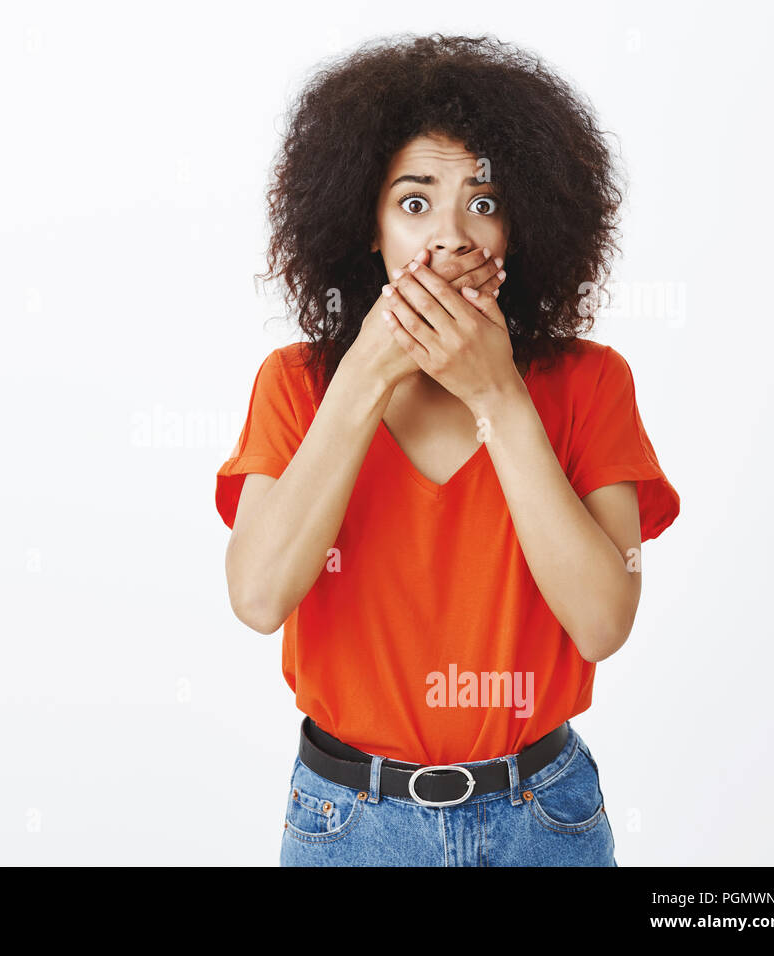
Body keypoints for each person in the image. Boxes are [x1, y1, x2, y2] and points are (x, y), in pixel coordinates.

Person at [215, 34, 681, 866]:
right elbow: (257, 597)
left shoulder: (589, 383)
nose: (451, 237)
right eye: (416, 201)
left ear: (523, 224)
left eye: (486, 202)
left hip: (545, 818)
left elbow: (605, 620)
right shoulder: (296, 383)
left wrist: (497, 392)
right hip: (348, 824)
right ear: (369, 224)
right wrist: (365, 373)